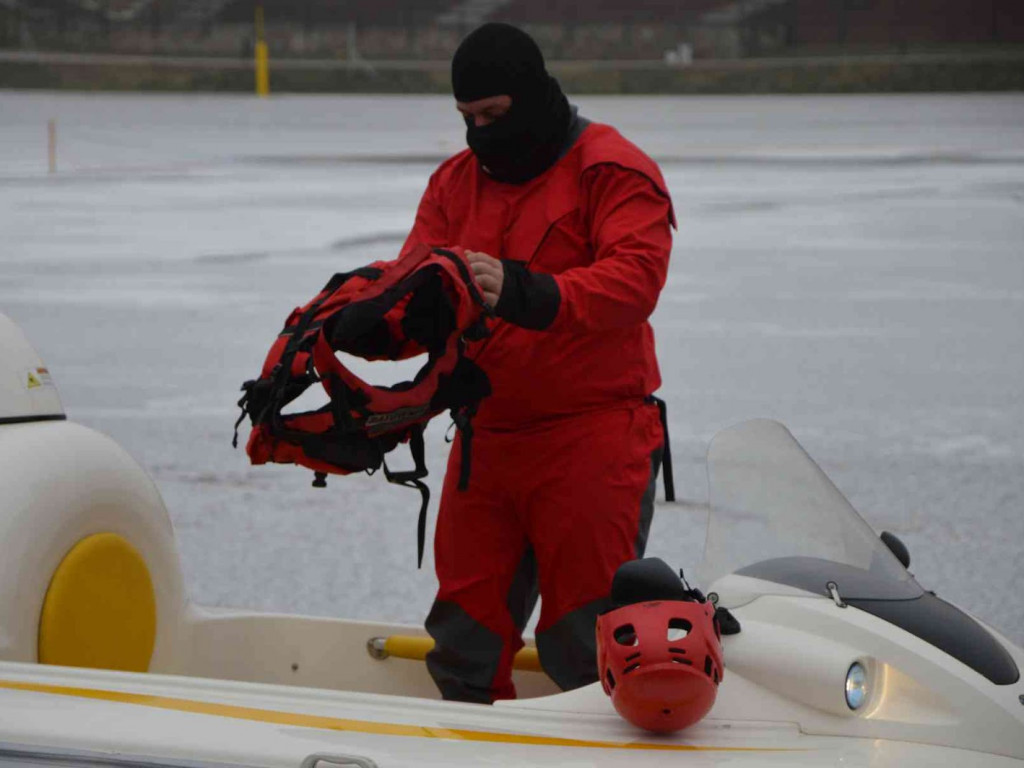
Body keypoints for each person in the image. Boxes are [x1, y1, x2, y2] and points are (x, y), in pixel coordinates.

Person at [397, 22, 675, 703]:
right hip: (486, 438)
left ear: (530, 97)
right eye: (466, 119)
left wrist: (526, 290)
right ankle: (467, 744)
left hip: (592, 437)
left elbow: (634, 280)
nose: (479, 134)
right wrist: (365, 312)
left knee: (590, 636)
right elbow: (413, 280)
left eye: (492, 116)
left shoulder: (611, 168)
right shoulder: (456, 182)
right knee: (464, 632)